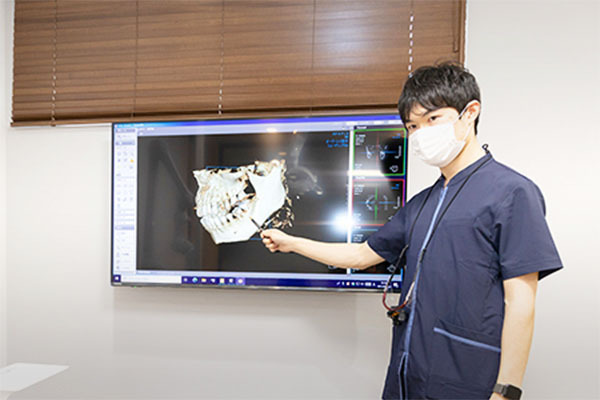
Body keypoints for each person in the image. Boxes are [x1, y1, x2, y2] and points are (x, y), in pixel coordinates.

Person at [260, 63, 562, 400]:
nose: (421, 134)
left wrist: (506, 392)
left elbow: (521, 301)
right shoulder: (421, 204)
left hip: (468, 380)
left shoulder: (512, 193)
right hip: (408, 375)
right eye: (413, 126)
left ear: (470, 113)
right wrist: (291, 242)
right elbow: (360, 255)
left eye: (433, 119)